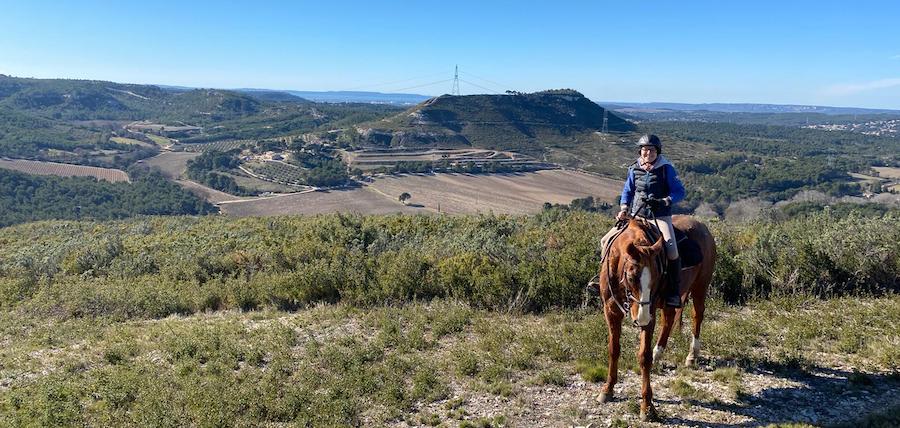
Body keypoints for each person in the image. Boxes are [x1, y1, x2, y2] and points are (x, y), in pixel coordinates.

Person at [604, 134, 686, 308]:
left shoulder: (666, 169)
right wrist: (624, 208)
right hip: (637, 216)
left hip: (660, 216)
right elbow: (628, 190)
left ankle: (673, 291)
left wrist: (664, 201)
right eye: (645, 150)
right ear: (640, 151)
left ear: (657, 152)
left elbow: (679, 192)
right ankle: (604, 282)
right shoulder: (634, 168)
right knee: (606, 241)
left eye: (651, 150)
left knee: (671, 249)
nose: (648, 153)